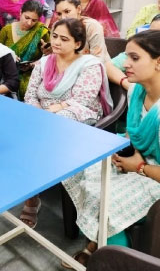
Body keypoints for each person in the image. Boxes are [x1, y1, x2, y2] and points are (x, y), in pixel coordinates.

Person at [62, 30, 160, 268]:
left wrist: (138, 166)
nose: (125, 63)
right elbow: (132, 133)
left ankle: (114, 257)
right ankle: (99, 241)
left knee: (104, 198)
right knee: (79, 167)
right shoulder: (138, 90)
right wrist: (124, 152)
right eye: (127, 56)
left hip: (153, 174)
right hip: (135, 157)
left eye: (134, 58)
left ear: (158, 62)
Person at [21, 18, 112, 229]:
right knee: (23, 124)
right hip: (43, 114)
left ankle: (35, 187)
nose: (56, 42)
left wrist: (53, 110)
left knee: (50, 127)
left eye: (64, 39)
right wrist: (37, 111)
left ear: (78, 44)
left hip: (77, 113)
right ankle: (31, 194)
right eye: (54, 36)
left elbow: (83, 99)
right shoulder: (43, 63)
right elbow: (31, 94)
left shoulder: (90, 64)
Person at [0, 0, 50, 99]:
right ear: (21, 12)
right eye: (27, 17)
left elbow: (50, 58)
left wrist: (34, 63)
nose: (29, 23)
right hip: (7, 72)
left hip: (32, 73)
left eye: (34, 20)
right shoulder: (6, 30)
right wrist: (9, 56)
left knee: (28, 89)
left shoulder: (40, 31)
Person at [106, 14, 160, 91]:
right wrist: (129, 85)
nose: (125, 64)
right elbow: (109, 66)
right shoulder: (141, 50)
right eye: (151, 32)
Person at [54, 0, 111, 64]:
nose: (63, 17)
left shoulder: (92, 27)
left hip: (92, 68)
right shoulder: (57, 26)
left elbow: (98, 59)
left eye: (67, 11)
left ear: (78, 9)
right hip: (65, 67)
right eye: (59, 14)